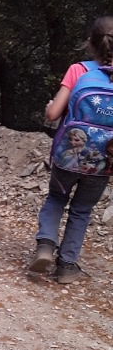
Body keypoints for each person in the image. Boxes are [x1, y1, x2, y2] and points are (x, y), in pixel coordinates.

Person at [29, 15, 113, 283]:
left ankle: (45, 246)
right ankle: (66, 265)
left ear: (90, 43)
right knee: (82, 209)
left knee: (56, 198)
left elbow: (53, 114)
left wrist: (48, 106)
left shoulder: (79, 70)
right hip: (102, 162)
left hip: (67, 158)